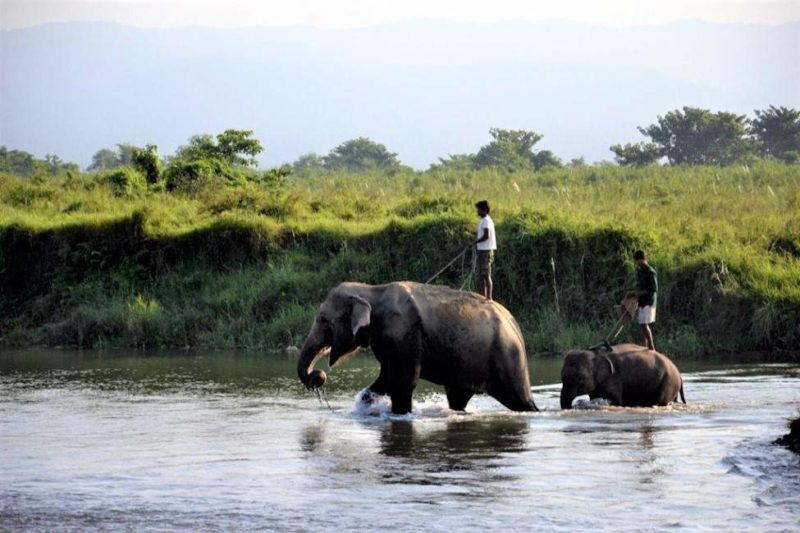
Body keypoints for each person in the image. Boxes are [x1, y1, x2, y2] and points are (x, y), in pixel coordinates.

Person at [629, 250, 658, 351]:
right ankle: (644, 346)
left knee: (645, 324)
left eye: (639, 261)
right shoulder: (640, 271)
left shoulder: (651, 272)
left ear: (643, 259)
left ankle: (651, 347)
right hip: (641, 301)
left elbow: (653, 289)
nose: (638, 263)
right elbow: (640, 286)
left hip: (649, 301)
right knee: (641, 325)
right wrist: (635, 294)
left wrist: (639, 293)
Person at [474, 200, 497, 300]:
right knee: (481, 275)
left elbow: (486, 236)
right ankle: (483, 296)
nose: (477, 211)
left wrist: (475, 242)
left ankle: (489, 297)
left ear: (484, 210)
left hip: (486, 251)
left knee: (486, 274)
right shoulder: (484, 220)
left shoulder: (486, 221)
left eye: (479, 209)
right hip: (482, 250)